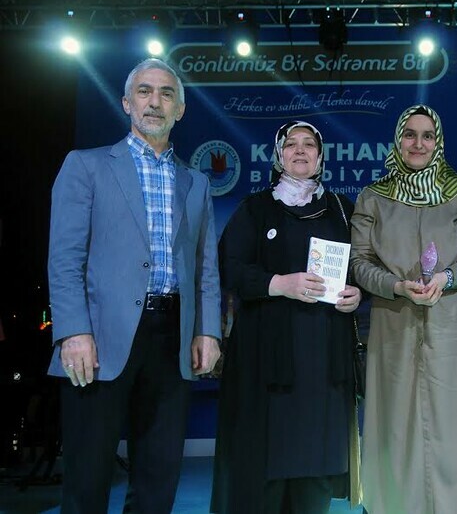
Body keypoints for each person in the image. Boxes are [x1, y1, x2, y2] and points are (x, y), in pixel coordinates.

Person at [47, 58, 222, 514]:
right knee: (87, 478)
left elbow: (205, 268)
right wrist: (73, 332)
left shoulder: (196, 182)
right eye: (144, 91)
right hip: (99, 340)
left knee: (158, 479)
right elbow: (64, 260)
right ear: (126, 103)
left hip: (172, 340)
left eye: (166, 94)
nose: (154, 102)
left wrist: (207, 331)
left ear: (180, 109)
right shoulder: (85, 166)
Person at [210, 121, 363, 513]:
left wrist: (355, 294)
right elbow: (228, 267)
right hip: (267, 361)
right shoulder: (255, 209)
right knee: (265, 470)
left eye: (308, 144)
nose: (300, 150)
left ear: (320, 156)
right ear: (279, 156)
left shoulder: (342, 210)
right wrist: (279, 283)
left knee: (316, 470)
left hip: (324, 364)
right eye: (291, 144)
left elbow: (361, 270)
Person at [350, 104, 457, 514]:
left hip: (454, 322)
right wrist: (396, 287)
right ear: (398, 140)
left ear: (438, 142)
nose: (418, 143)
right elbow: (359, 262)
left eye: (427, 135)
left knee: (454, 422)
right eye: (410, 135)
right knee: (395, 422)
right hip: (394, 321)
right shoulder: (373, 198)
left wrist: (447, 277)